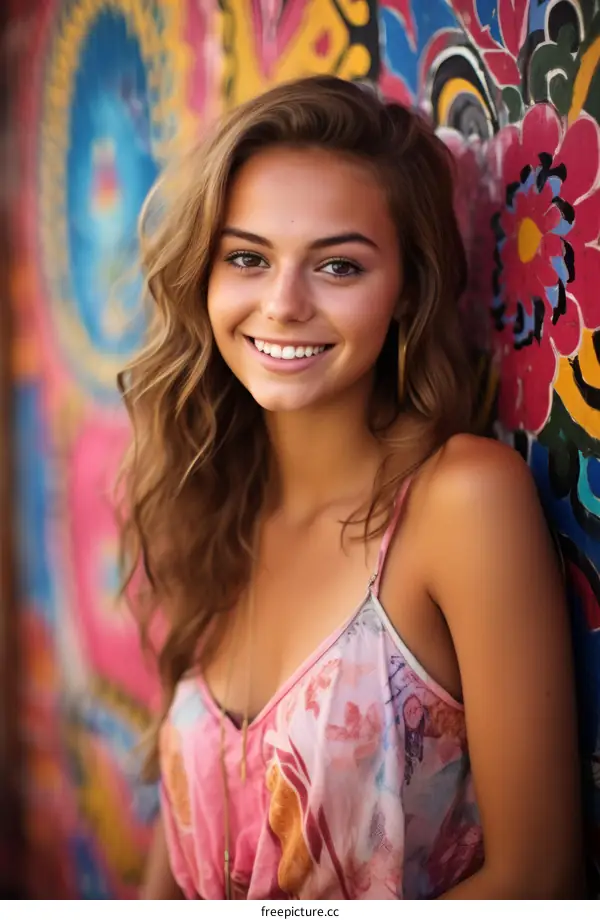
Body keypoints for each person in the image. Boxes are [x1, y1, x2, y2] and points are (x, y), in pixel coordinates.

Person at [118, 76, 582, 900]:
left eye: (338, 265)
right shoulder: (209, 508)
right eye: (248, 258)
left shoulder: (462, 502)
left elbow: (538, 880)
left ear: (406, 291)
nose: (283, 304)